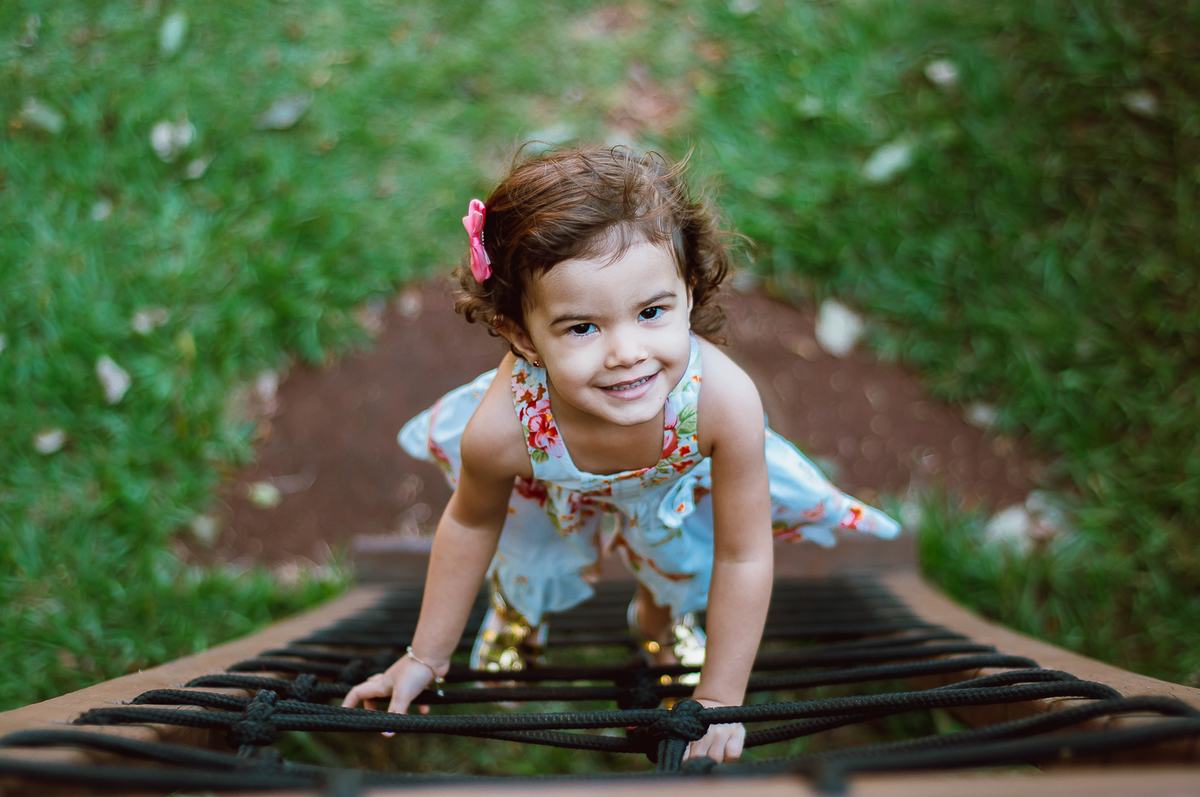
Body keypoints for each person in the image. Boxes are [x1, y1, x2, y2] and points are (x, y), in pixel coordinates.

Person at [342, 145, 899, 763]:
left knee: (684, 565)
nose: (627, 353)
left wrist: (719, 696)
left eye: (652, 312)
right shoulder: (504, 429)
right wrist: (427, 654)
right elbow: (472, 521)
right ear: (522, 336)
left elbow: (744, 553)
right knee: (525, 555)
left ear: (688, 293)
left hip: (675, 489)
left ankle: (659, 627)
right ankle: (518, 613)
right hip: (548, 488)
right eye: (583, 327)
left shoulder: (723, 403)